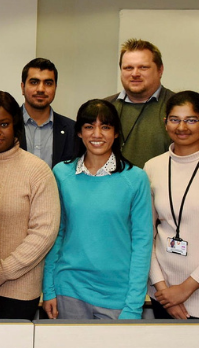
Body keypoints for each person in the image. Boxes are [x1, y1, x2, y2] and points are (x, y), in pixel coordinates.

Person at [43, 99, 152, 320]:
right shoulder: (61, 174)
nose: (97, 134)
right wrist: (49, 289)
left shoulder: (136, 178)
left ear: (116, 133)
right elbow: (56, 234)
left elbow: (142, 244)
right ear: (79, 133)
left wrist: (133, 304)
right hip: (69, 289)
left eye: (105, 127)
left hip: (118, 296)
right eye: (89, 126)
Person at [0, 91, 60, 320]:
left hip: (18, 289)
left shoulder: (37, 171)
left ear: (15, 125)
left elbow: (43, 234)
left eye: (4, 124)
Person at [145, 91, 199, 319]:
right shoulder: (153, 167)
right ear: (165, 123)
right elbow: (146, 234)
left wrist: (184, 290)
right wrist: (163, 291)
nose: (182, 127)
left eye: (191, 120)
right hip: (162, 296)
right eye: (175, 119)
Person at [104, 38, 175, 168]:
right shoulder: (104, 107)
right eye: (128, 68)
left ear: (160, 70)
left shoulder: (179, 108)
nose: (135, 74)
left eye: (143, 67)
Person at [18, 58, 76, 168]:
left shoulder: (72, 130)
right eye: (34, 82)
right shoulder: (7, 126)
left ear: (55, 88)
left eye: (48, 83)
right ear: (22, 87)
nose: (41, 89)